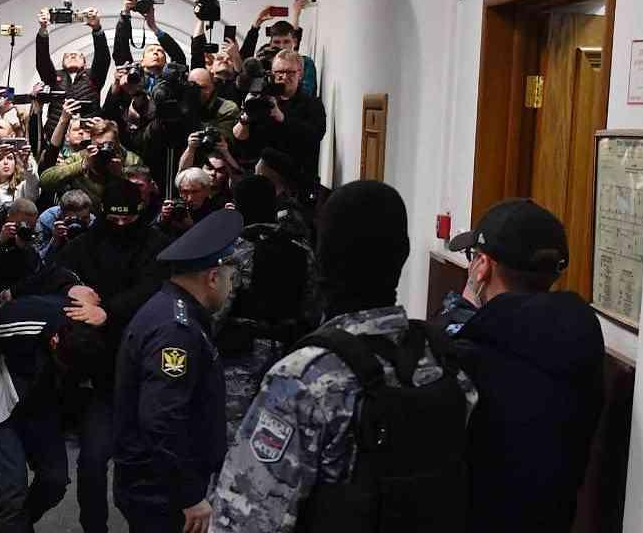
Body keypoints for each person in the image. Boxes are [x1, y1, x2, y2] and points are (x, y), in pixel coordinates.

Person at [209, 180, 477, 533]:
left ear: (323, 258)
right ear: (403, 255)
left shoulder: (303, 380)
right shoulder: (446, 364)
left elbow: (243, 521)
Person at [446, 199, 605, 533]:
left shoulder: (468, 351)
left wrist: (465, 311)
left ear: (482, 267)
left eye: (473, 256)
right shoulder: (582, 341)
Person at [50, 178, 171, 533]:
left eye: (127, 219)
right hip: (99, 373)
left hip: (144, 369)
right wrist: (73, 289)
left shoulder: (155, 245)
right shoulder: (84, 244)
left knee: (141, 466)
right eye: (113, 218)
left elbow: (154, 287)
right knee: (91, 461)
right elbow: (56, 274)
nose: (119, 225)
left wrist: (109, 312)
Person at [114, 209, 243, 533]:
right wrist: (189, 494)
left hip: (158, 485)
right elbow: (162, 418)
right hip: (161, 493)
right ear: (212, 278)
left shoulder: (171, 310)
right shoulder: (176, 330)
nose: (230, 287)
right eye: (230, 278)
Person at [0, 289, 104, 533]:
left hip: (40, 397)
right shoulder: (27, 319)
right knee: (13, 491)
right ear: (54, 341)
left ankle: (19, 524)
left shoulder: (90, 340)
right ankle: (15, 521)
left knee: (55, 480)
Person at [211, 175, 318, 447]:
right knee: (279, 437)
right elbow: (311, 306)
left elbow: (220, 310)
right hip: (288, 356)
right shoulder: (302, 250)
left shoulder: (237, 251)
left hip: (240, 358)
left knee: (233, 440)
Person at [234, 49, 326, 200]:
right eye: (279, 72)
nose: (284, 76)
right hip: (259, 173)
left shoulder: (312, 104)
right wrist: (245, 118)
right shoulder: (262, 98)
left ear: (300, 74)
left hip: (297, 177)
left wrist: (281, 117)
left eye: (290, 72)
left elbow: (314, 136)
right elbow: (240, 138)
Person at [36, 6, 111, 139]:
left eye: (77, 55)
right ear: (62, 63)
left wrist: (97, 29)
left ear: (85, 63)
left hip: (87, 133)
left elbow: (102, 58)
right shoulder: (54, 77)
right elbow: (42, 61)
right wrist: (43, 30)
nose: (72, 56)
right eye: (68, 55)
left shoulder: (92, 76)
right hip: (56, 134)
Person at [39, 119, 143, 213]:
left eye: (108, 145)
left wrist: (121, 175)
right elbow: (45, 181)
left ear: (117, 144)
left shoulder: (131, 161)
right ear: (91, 142)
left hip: (122, 214)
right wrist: (82, 165)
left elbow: (143, 199)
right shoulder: (82, 157)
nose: (103, 150)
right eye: (99, 146)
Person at [240, 0, 318, 98]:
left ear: (294, 42)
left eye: (286, 42)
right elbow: (244, 68)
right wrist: (256, 24)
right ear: (270, 44)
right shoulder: (264, 62)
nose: (281, 47)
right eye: (277, 42)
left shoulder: (305, 63)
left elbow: (306, 93)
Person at [113, 0, 187, 88]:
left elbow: (178, 56)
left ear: (165, 63)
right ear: (142, 62)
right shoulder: (131, 78)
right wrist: (125, 12)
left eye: (160, 51)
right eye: (150, 51)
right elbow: (121, 48)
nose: (155, 53)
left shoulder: (173, 80)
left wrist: (154, 27)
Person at [0, 198, 42, 302]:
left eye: (31, 226)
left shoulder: (35, 227)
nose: (25, 228)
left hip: (18, 281)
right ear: (9, 217)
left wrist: (25, 248)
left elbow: (37, 269)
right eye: (21, 224)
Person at [156, 167, 225, 239]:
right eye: (185, 192)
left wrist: (192, 227)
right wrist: (163, 219)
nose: (190, 198)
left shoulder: (216, 211)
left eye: (195, 192)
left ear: (206, 191)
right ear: (179, 192)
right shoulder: (174, 207)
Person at [35, 189, 94, 262]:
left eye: (84, 218)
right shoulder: (47, 220)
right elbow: (37, 261)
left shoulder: (93, 223)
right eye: (73, 220)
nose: (78, 225)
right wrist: (55, 241)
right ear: (61, 214)